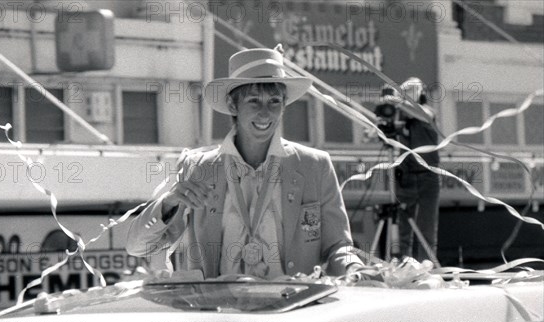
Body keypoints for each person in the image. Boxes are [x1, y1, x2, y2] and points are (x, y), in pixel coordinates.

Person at [126, 46, 363, 278]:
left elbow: (338, 246)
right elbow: (138, 247)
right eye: (253, 101)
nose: (265, 113)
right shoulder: (198, 168)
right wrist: (169, 202)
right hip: (220, 313)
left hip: (294, 312)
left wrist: (355, 267)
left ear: (283, 106)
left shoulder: (315, 165)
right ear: (232, 105)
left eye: (274, 102)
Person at [383, 77, 440, 262]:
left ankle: (426, 267)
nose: (407, 93)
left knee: (426, 229)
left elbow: (423, 115)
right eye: (404, 90)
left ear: (421, 92)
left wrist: (399, 103)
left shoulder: (426, 112)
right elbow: (378, 134)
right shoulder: (401, 117)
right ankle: (400, 265)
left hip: (427, 176)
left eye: (412, 90)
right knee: (403, 230)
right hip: (405, 177)